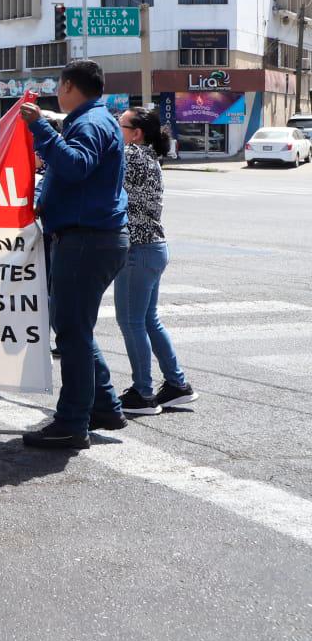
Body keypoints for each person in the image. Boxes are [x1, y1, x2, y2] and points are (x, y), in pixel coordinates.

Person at [20, 60, 131, 451]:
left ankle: (71, 423)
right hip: (92, 238)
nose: (57, 93)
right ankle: (103, 405)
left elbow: (75, 166)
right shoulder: (98, 119)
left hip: (86, 240)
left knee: (71, 332)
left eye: (58, 86)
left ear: (69, 86)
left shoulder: (88, 123)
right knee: (75, 329)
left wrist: (40, 128)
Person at [113, 106, 195, 415]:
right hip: (153, 248)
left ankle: (143, 393)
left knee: (131, 322)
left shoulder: (131, 155)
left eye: (119, 124)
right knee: (148, 319)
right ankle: (176, 385)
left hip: (137, 250)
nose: (114, 128)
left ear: (136, 133)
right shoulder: (147, 156)